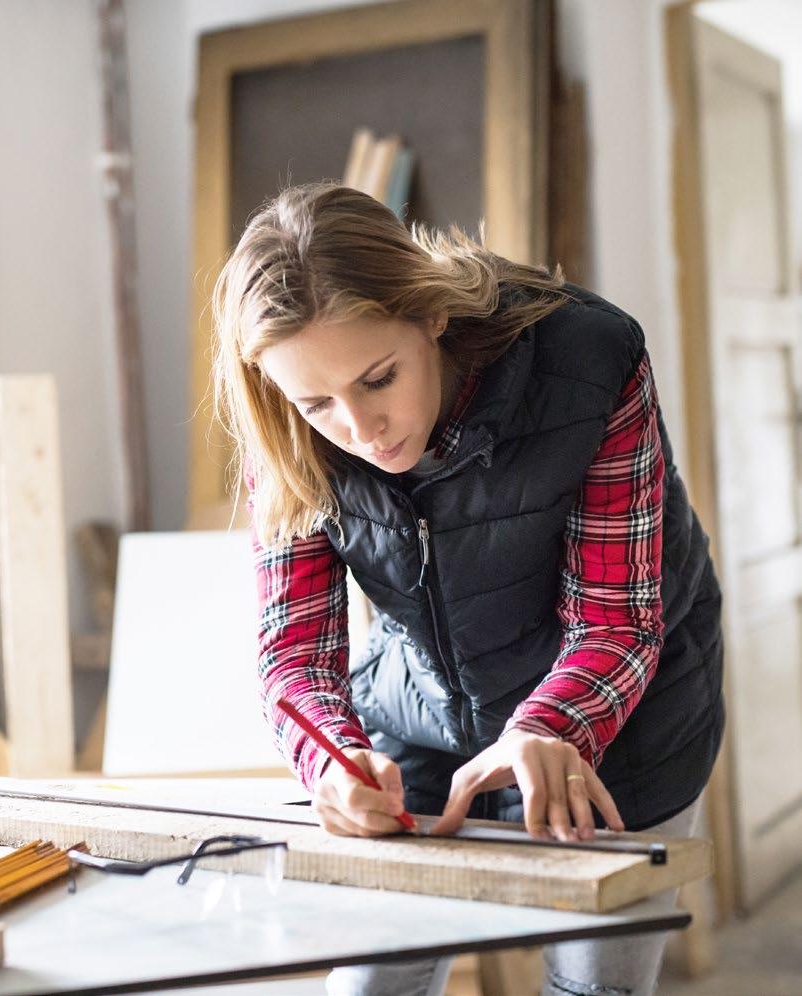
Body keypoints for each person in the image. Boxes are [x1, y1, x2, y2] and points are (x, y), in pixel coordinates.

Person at [210, 181, 724, 996]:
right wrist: (334, 762)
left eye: (379, 379)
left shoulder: (591, 362)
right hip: (422, 709)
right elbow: (296, 654)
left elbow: (618, 621)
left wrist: (551, 728)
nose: (358, 428)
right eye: (317, 403)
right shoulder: (287, 431)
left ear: (430, 316)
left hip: (621, 715)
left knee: (596, 988)